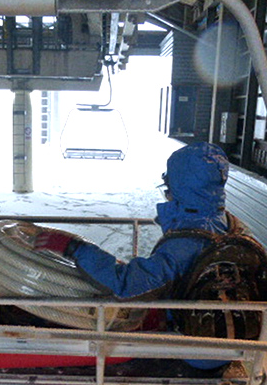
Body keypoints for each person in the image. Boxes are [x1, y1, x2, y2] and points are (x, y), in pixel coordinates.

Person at [35, 142, 244, 369]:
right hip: (230, 338)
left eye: (169, 185)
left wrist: (74, 248)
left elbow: (126, 286)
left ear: (180, 190)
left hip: (197, 348)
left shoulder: (186, 242)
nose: (167, 193)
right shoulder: (231, 226)